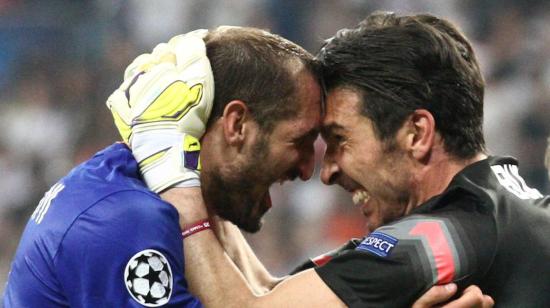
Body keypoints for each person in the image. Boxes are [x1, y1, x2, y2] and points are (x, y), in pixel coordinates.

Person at [4, 25, 491, 307]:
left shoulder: (157, 191)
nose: (308, 169)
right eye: (300, 141)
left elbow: (259, 298)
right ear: (237, 124)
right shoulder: (126, 223)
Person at [145, 12, 549, 307]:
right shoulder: (500, 209)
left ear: (416, 134)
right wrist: (213, 177)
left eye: (339, 139)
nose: (328, 170)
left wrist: (176, 175)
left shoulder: (440, 238)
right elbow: (272, 292)